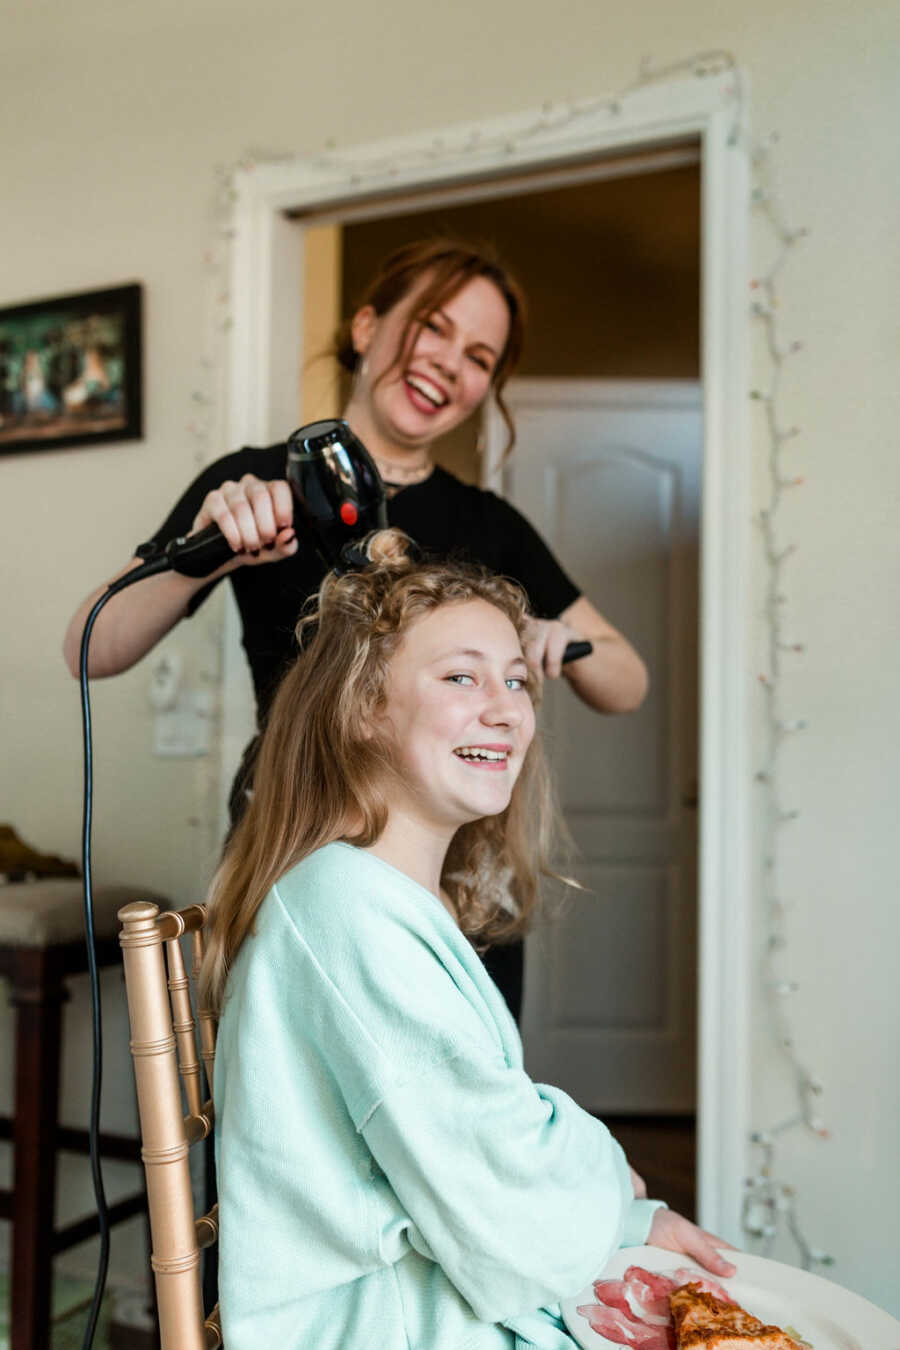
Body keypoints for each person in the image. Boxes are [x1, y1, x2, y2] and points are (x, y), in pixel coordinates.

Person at [63, 238, 648, 1019]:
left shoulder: (490, 525)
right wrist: (207, 551)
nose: (450, 363)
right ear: (367, 327)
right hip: (296, 835)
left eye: (480, 356)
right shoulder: (252, 485)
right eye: (432, 327)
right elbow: (87, 648)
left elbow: (626, 679)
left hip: (458, 867)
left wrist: (559, 642)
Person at [199, 530, 733, 1350]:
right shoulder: (347, 912)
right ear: (365, 707)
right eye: (461, 677)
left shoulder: (378, 899)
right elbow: (510, 1220)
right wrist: (604, 1172)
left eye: (517, 680)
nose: (507, 706)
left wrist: (612, 1201)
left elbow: (484, 1145)